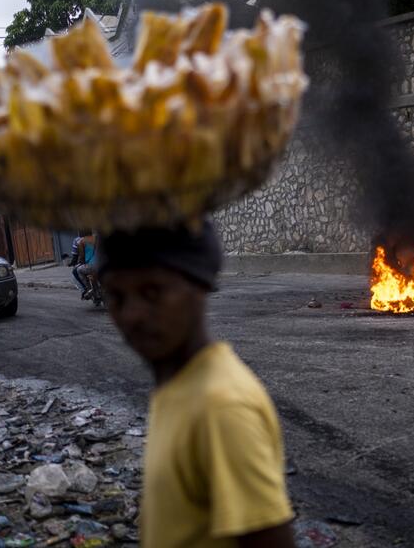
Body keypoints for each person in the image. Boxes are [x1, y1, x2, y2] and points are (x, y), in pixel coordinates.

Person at [98, 222, 295, 548]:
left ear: (199, 285)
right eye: (116, 297)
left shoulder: (221, 408)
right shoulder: (178, 384)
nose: (131, 315)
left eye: (153, 292)